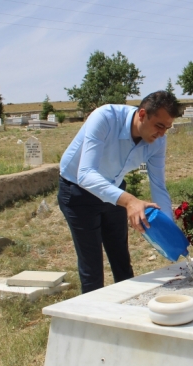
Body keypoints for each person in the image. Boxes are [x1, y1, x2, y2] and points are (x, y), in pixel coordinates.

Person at [57, 91, 180, 294]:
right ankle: (93, 320)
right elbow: (85, 174)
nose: (162, 134)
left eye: (167, 128)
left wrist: (169, 231)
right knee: (92, 267)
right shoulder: (105, 118)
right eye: (159, 126)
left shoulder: (158, 142)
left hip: (113, 190)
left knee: (121, 259)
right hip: (78, 191)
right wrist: (130, 201)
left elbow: (158, 185)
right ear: (142, 114)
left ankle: (127, 314)